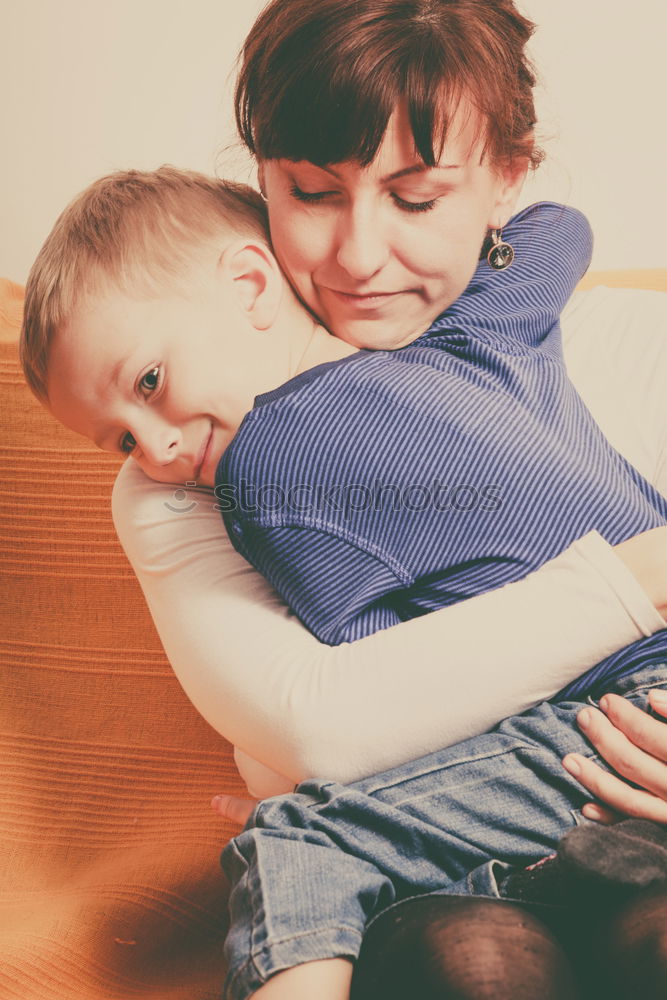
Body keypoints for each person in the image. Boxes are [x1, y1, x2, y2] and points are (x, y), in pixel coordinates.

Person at [19, 164, 667, 999]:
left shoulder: (266, 466)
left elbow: (370, 677)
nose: (156, 456)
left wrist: (312, 791)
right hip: (617, 727)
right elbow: (558, 230)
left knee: (299, 840)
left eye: (149, 385)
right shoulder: (482, 333)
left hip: (605, 722)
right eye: (120, 440)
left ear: (251, 283)